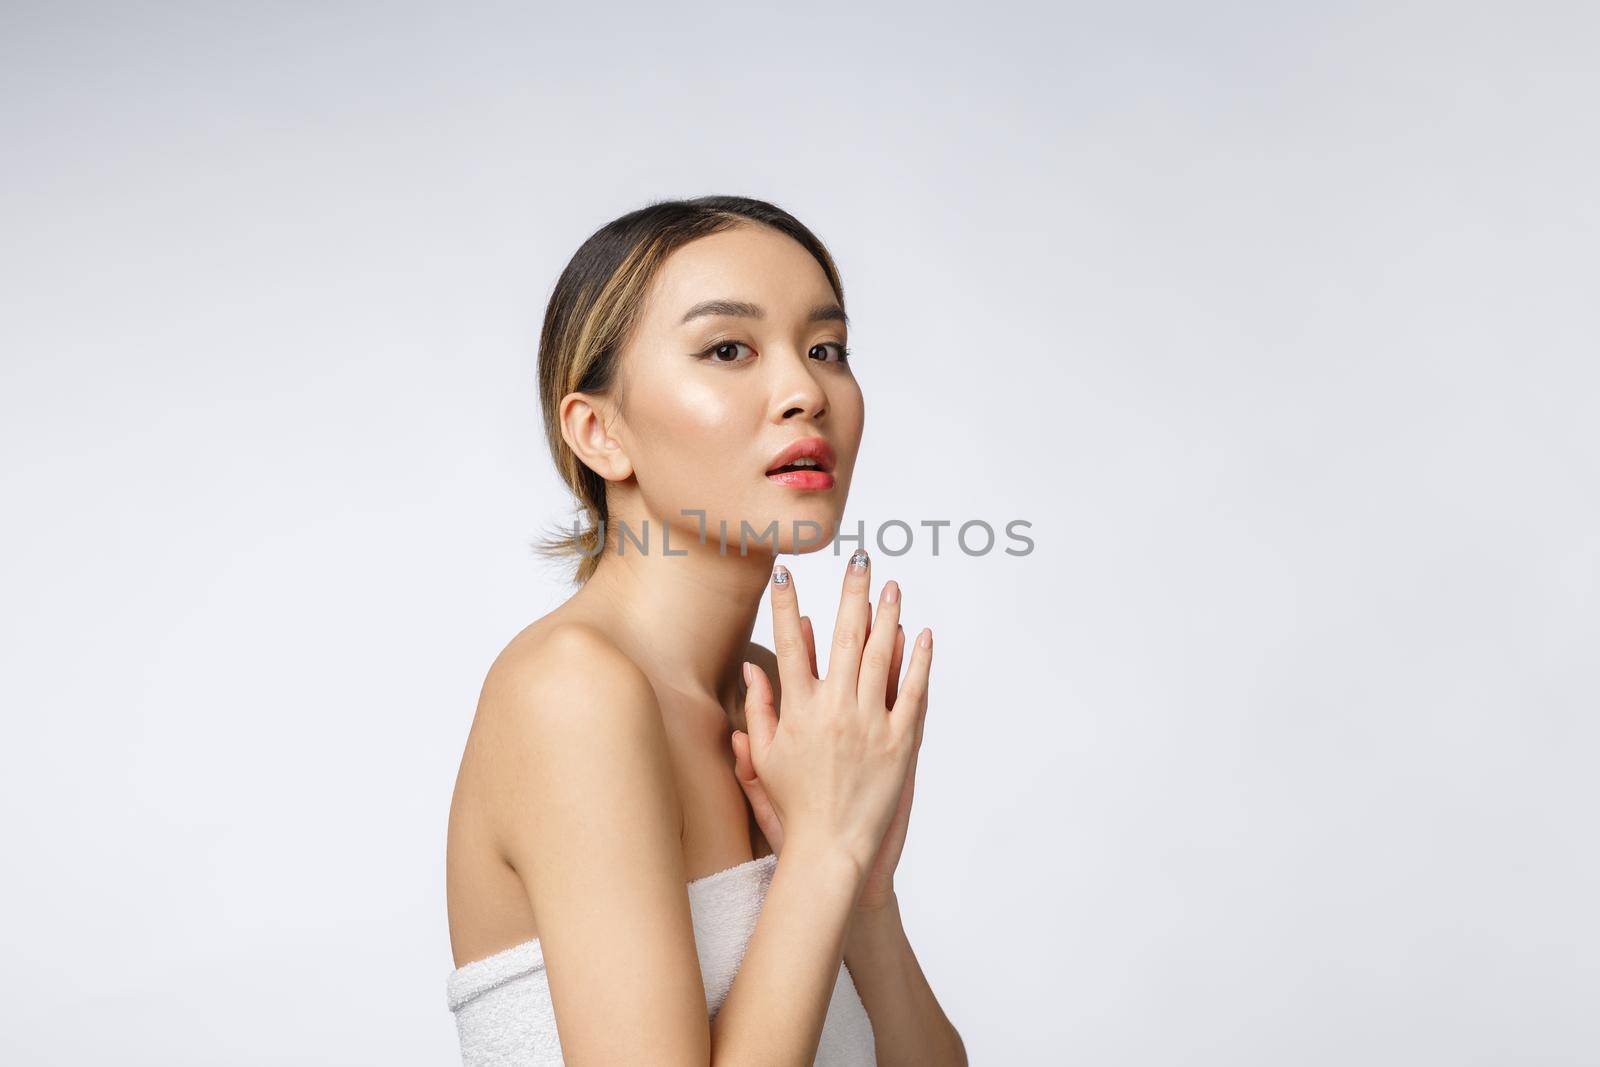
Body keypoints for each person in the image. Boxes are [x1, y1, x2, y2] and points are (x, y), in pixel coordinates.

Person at [444, 195, 968, 1065]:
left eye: (825, 349)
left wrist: (866, 897)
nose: (805, 391)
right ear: (600, 431)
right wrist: (826, 851)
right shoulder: (573, 690)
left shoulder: (786, 711)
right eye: (729, 349)